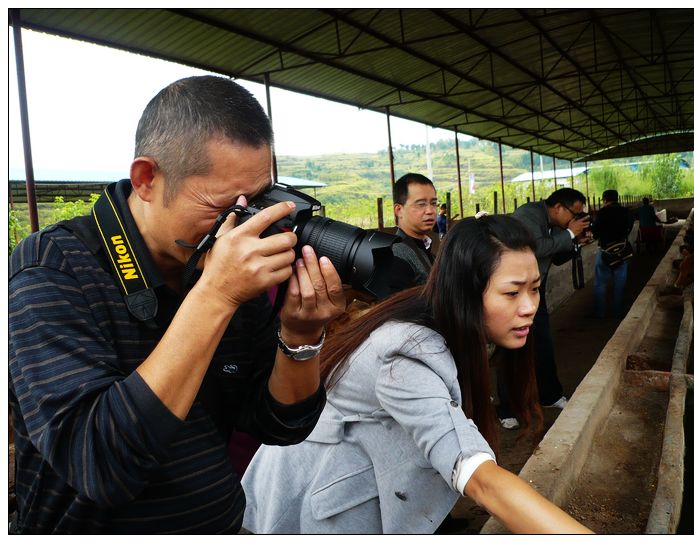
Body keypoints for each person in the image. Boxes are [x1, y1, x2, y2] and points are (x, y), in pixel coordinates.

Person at [8, 75, 346, 534]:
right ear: (146, 179)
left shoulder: (221, 261)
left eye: (257, 201)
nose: (242, 224)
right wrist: (215, 295)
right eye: (225, 206)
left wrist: (301, 338)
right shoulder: (52, 267)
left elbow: (279, 425)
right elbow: (100, 464)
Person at [241, 215, 592, 534]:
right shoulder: (408, 352)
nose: (529, 306)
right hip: (305, 513)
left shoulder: (433, 314)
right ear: (466, 292)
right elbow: (481, 480)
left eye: (534, 288)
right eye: (512, 292)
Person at [499, 188, 591, 429]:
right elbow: (535, 248)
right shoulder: (528, 215)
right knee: (512, 350)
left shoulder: (556, 224)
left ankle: (549, 395)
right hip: (512, 294)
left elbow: (555, 256)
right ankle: (507, 408)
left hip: (533, 293)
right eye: (574, 214)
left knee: (543, 345)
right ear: (558, 207)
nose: (575, 219)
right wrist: (570, 233)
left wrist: (575, 242)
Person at [386, 173, 438, 292]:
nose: (430, 211)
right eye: (421, 204)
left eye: (434, 203)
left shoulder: (426, 248)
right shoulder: (395, 257)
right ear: (399, 210)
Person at [592, 189, 635, 319]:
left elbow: (595, 233)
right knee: (619, 285)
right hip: (622, 251)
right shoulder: (626, 211)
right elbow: (630, 225)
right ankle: (617, 313)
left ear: (605, 200)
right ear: (617, 199)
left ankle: (600, 314)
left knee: (600, 284)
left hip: (605, 251)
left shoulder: (602, 213)